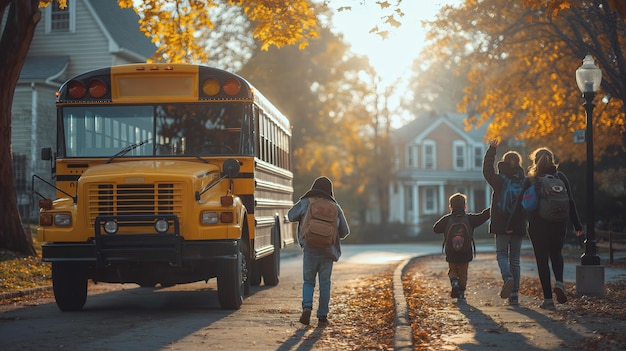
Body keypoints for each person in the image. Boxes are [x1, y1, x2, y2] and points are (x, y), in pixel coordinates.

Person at [514, 147, 584, 310]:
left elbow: (520, 203)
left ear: (534, 160)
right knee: (556, 254)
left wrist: (512, 224)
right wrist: (577, 224)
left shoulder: (532, 179)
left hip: (538, 225)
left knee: (542, 260)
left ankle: (548, 300)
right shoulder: (560, 177)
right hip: (559, 223)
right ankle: (559, 282)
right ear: (552, 160)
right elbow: (570, 202)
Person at [288, 176, 350, 326]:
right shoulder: (335, 207)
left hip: (309, 248)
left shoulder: (306, 202)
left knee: (308, 281)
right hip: (328, 251)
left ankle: (307, 307)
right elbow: (345, 231)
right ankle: (322, 316)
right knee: (325, 283)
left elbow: (290, 216)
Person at [482, 139, 527, 305]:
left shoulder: (499, 180)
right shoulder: (524, 181)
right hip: (518, 225)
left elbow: (487, 170)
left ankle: (507, 278)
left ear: (505, 162)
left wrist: (492, 150)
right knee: (515, 259)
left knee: (501, 255)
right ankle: (514, 294)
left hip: (501, 225)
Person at [433, 193, 490, 301]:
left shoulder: (447, 219)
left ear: (450, 207)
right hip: (466, 252)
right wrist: (493, 206)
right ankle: (461, 292)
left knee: (452, 270)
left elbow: (435, 229)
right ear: (465, 207)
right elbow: (483, 216)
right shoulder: (470, 219)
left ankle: (454, 282)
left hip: (451, 251)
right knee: (463, 273)